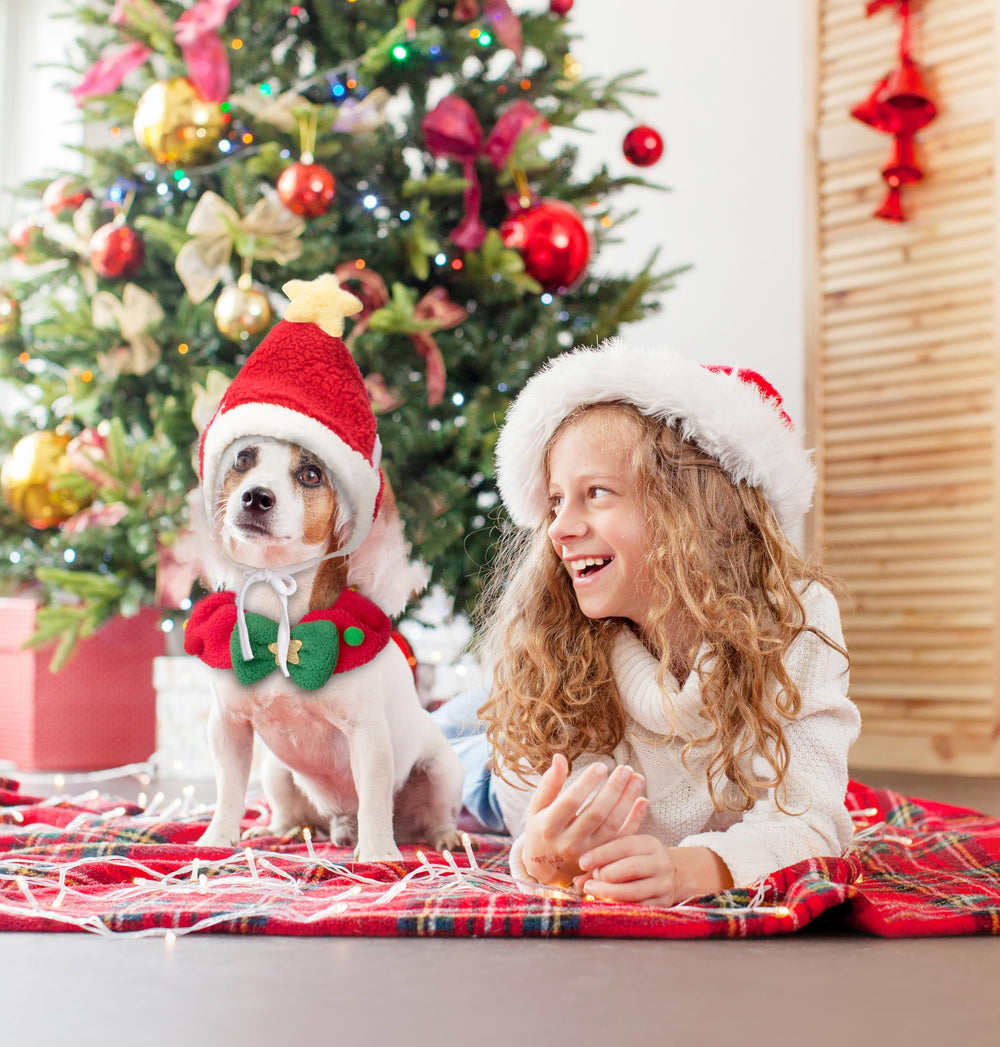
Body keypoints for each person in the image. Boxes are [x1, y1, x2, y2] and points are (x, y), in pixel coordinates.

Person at [436, 339, 861, 907]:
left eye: (596, 493)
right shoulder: (562, 647)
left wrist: (691, 869)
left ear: (694, 510)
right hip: (496, 764)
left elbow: (814, 824)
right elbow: (540, 823)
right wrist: (543, 853)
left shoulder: (794, 620)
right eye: (557, 501)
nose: (559, 528)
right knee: (426, 752)